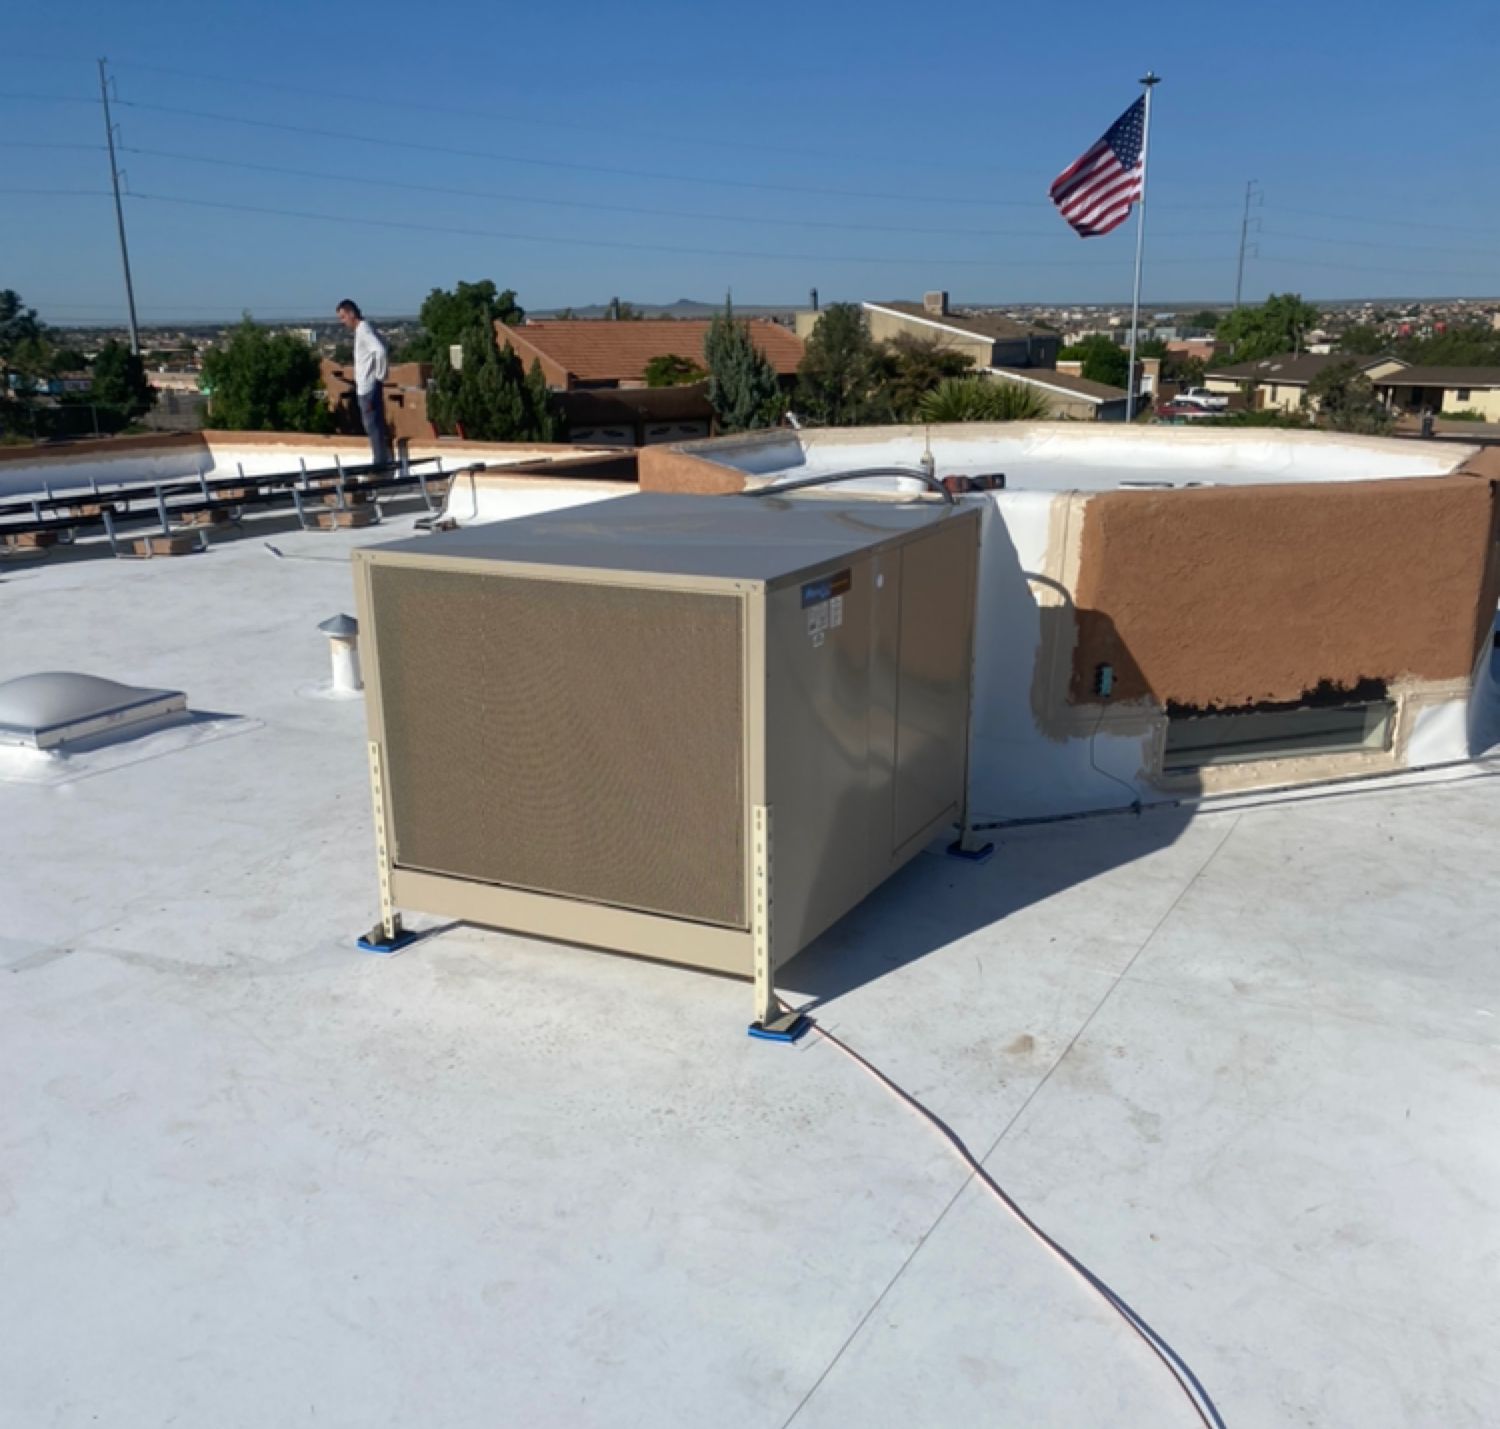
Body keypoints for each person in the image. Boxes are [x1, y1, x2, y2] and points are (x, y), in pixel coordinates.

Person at [336, 299, 390, 469]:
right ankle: (380, 459)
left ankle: (379, 462)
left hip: (368, 388)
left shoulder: (363, 330)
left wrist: (380, 374)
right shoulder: (365, 329)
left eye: (343, 317)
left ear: (352, 314)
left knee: (372, 426)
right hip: (368, 386)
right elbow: (383, 346)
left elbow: (379, 351)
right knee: (374, 425)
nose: (342, 322)